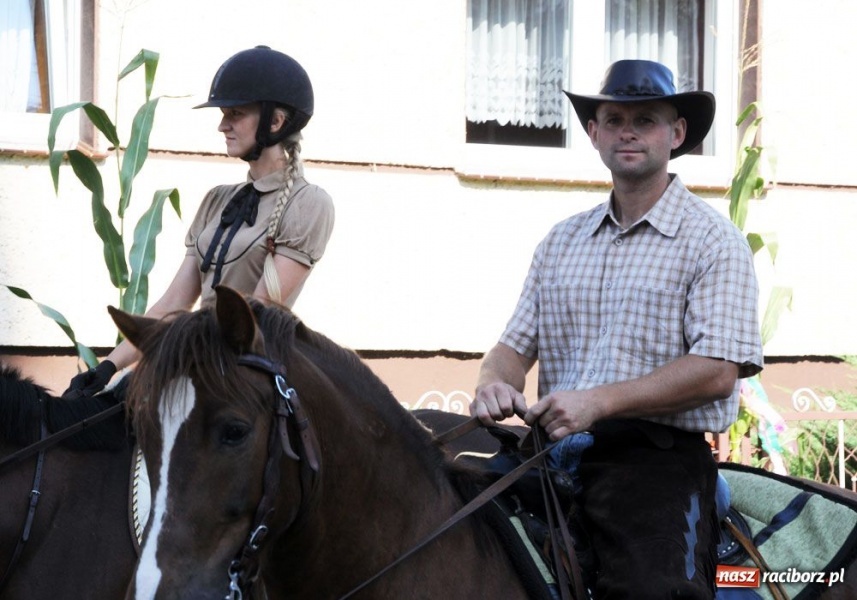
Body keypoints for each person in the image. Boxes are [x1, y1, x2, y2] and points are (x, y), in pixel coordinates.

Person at [469, 59, 763, 598]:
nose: (628, 131)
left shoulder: (713, 242)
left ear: (676, 134)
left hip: (655, 462)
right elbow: (512, 348)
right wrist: (494, 380)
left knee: (650, 591)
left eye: (646, 119)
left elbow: (719, 372)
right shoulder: (561, 241)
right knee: (446, 527)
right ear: (594, 132)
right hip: (546, 450)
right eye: (614, 118)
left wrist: (598, 402)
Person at [62, 46, 335, 399]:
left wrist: (171, 360)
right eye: (224, 114)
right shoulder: (217, 199)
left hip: (243, 380)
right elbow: (174, 303)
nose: (222, 125)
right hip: (196, 359)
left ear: (276, 122)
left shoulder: (308, 203)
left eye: (234, 114)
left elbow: (255, 315)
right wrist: (109, 367)